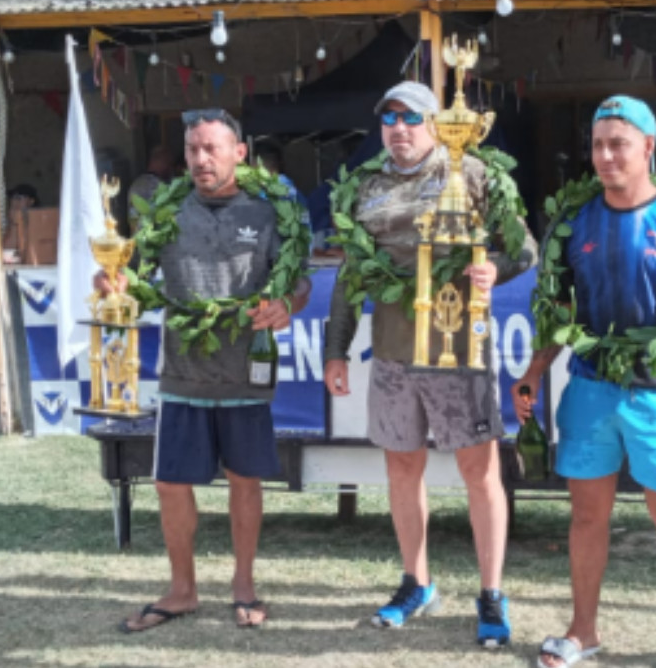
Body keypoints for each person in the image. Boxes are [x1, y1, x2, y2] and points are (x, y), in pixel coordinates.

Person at [515, 96, 656, 668]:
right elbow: (557, 311)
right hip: (588, 389)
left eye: (619, 143)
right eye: (597, 144)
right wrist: (535, 372)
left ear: (648, 148)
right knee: (587, 517)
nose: (606, 156)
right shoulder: (573, 221)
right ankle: (582, 633)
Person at [323, 81, 538, 648]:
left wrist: (492, 267)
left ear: (436, 123)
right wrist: (334, 349)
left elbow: (526, 250)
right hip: (393, 354)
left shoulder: (475, 174)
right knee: (401, 470)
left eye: (410, 117)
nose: (398, 128)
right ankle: (416, 582)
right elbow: (351, 275)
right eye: (388, 117)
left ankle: (491, 593)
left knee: (479, 473)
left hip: (458, 350)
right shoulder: (365, 188)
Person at [100, 108, 311, 633]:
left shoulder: (271, 213)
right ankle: (182, 590)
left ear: (239, 153)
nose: (200, 159)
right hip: (182, 375)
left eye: (212, 148)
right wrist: (114, 284)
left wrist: (288, 304)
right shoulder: (166, 213)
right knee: (170, 483)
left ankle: (244, 585)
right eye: (192, 149)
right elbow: (134, 273)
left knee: (245, 479)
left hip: (244, 372)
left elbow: (299, 281)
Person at [127, 145, 174, 231]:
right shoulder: (154, 186)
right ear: (160, 161)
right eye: (168, 163)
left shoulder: (137, 183)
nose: (170, 168)